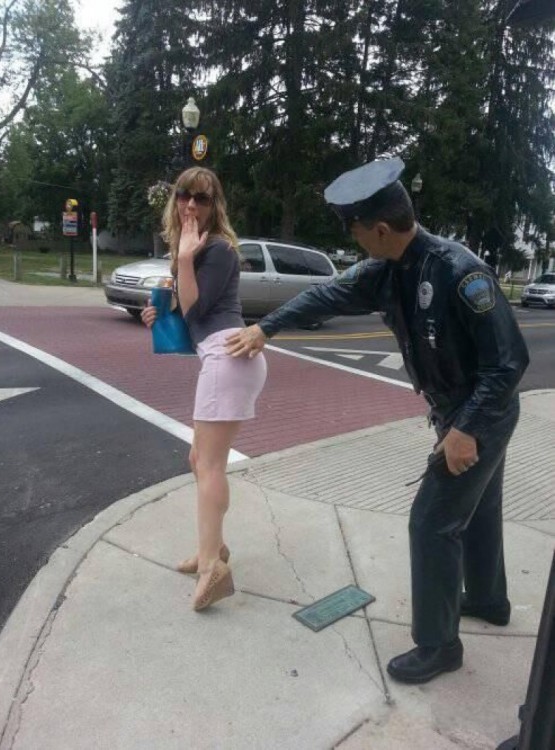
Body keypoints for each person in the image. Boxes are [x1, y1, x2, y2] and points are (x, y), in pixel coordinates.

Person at [226, 157, 529, 684]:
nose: (356, 239)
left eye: (357, 229)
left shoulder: (460, 272)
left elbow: (509, 362)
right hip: (455, 410)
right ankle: (487, 599)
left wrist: (465, 430)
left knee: (431, 522)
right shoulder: (389, 270)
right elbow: (327, 293)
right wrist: (266, 328)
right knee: (478, 509)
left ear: (382, 229)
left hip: (483, 412)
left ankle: (438, 647)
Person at [141, 167, 267, 611]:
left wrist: (184, 261)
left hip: (228, 358)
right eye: (184, 196)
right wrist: (160, 315)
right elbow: (187, 314)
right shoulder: (193, 249)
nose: (191, 205)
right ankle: (212, 547)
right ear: (175, 199)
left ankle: (212, 566)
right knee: (200, 459)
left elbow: (196, 306)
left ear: (216, 206)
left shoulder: (217, 250)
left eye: (202, 199)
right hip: (222, 356)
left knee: (210, 464)